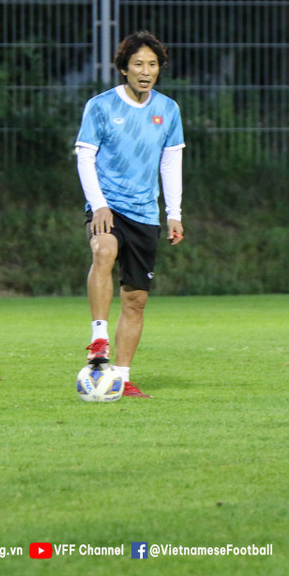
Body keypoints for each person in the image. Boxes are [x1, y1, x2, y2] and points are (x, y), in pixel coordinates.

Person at [74, 31, 185, 398]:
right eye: (138, 64)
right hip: (107, 206)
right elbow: (85, 157)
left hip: (145, 213)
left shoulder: (168, 110)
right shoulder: (101, 106)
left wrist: (173, 213)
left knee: (136, 300)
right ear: (124, 68)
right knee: (103, 250)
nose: (145, 71)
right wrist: (98, 204)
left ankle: (119, 379)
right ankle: (98, 339)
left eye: (152, 64)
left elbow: (171, 163)